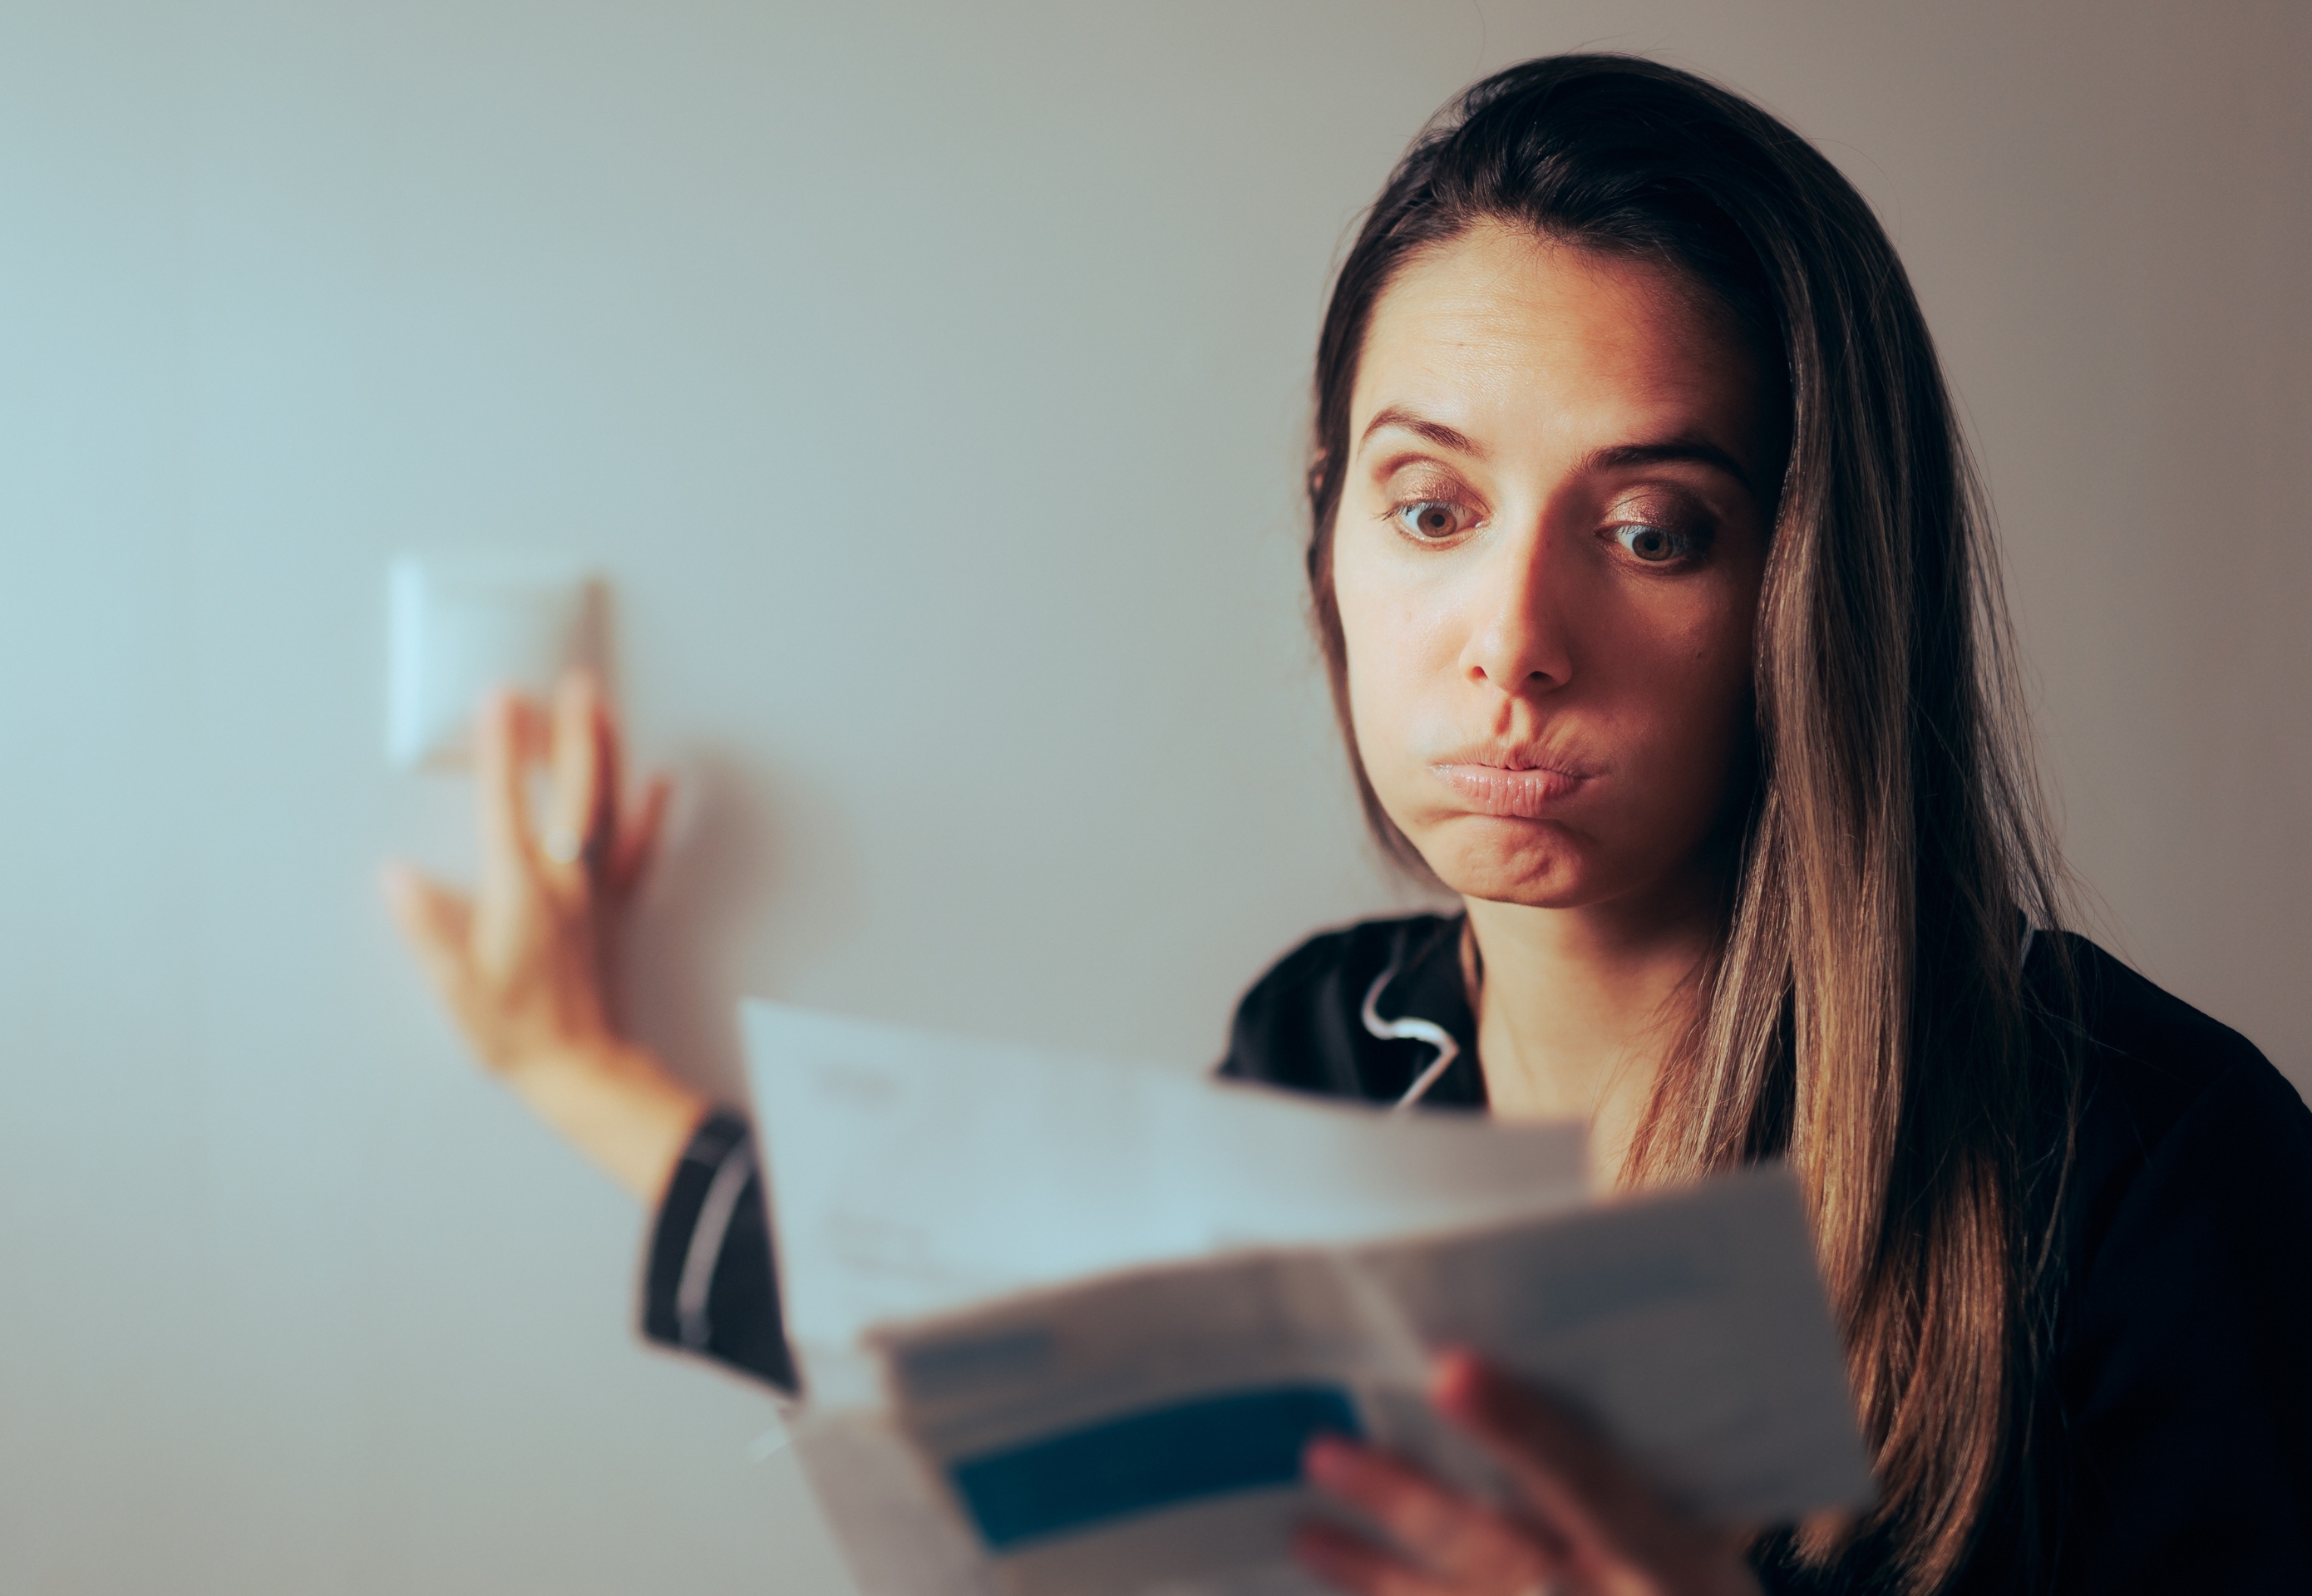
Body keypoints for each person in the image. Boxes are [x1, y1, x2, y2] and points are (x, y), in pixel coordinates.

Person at [379, 54, 2312, 1596]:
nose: (1516, 647)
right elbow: (976, 1334)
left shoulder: (2150, 1169)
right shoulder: (1321, 1050)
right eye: (1433, 509)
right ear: (1330, 532)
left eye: (1652, 531)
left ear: (1820, 585)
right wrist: (573, 1068)